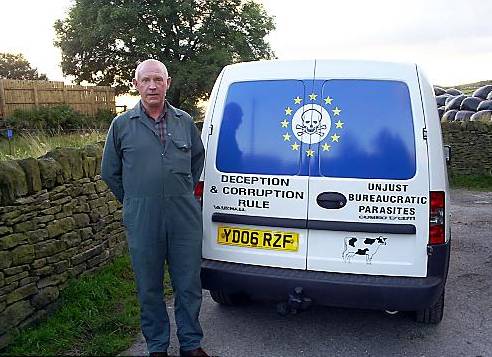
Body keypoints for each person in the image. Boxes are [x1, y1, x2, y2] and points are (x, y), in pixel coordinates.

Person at [101, 59, 207, 357]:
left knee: (188, 285)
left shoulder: (184, 121)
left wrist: (181, 193)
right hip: (142, 218)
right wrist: (134, 201)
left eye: (158, 80)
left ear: (167, 83)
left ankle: (191, 344)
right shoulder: (122, 125)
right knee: (149, 287)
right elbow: (110, 172)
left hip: (183, 217)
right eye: (146, 80)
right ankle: (157, 346)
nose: (152, 86)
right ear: (136, 84)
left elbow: (197, 160)